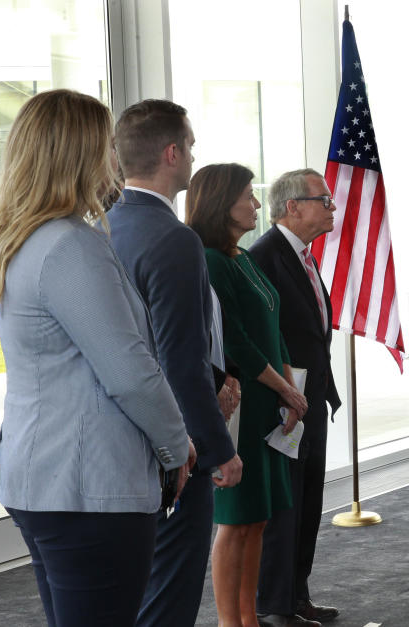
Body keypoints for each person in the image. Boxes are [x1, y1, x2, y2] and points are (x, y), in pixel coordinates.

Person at [0, 89, 194, 627]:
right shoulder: (68, 245)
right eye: (105, 145)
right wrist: (177, 447)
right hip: (87, 487)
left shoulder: (19, 239)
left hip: (44, 478)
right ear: (77, 153)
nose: (114, 158)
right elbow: (129, 372)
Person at [107, 99, 243, 627]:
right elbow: (179, 359)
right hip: (175, 453)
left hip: (123, 444)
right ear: (171, 153)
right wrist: (217, 450)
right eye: (189, 144)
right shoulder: (173, 238)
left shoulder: (107, 226)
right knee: (169, 596)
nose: (193, 154)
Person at [186, 163, 308, 627]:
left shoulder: (242, 255)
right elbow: (234, 339)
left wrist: (289, 389)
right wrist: (283, 388)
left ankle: (247, 618)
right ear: (222, 202)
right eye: (248, 197)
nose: (257, 204)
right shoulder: (211, 260)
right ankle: (227, 621)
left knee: (257, 518)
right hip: (246, 401)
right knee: (235, 520)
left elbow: (270, 328)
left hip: (271, 402)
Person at [250, 169, 343, 626]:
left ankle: (296, 595)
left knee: (307, 504)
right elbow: (262, 336)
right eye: (323, 200)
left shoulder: (303, 255)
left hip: (311, 398)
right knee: (285, 507)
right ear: (293, 207)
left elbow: (313, 331)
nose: (332, 207)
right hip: (284, 404)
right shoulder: (265, 256)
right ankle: (273, 604)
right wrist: (287, 393)